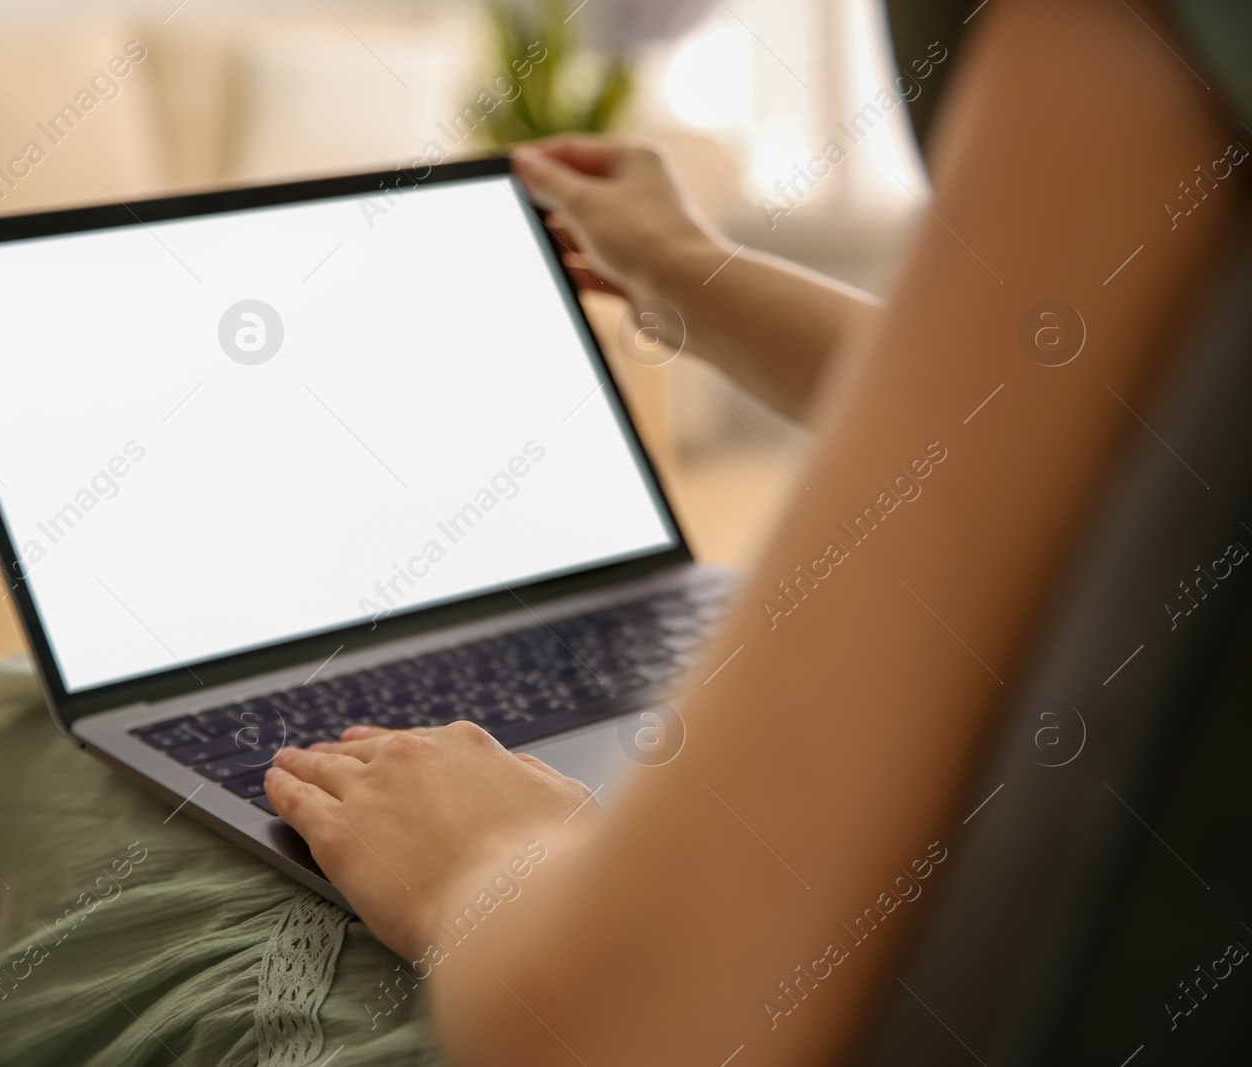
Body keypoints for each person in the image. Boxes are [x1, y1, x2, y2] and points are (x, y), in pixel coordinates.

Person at [260, 0, 1251, 1063]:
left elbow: (624, 1021)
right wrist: (688, 273)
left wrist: (488, 854)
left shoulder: (1104, 40)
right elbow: (1092, 419)